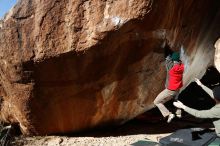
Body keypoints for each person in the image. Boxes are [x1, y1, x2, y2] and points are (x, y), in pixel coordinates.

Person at [154, 51, 184, 123]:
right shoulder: (182, 66)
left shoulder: (171, 68)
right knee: (175, 100)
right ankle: (178, 112)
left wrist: (168, 54)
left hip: (170, 90)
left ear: (173, 60)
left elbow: (167, 59)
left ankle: (168, 114)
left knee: (156, 102)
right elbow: (176, 61)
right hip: (178, 89)